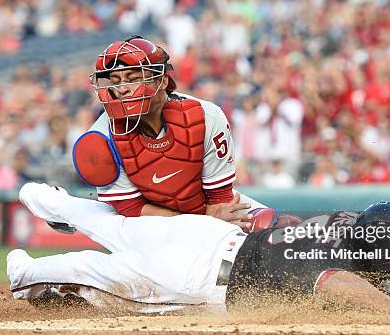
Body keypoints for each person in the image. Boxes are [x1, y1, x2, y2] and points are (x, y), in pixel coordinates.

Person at [8, 183, 390, 318]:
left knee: (115, 226)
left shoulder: (347, 223)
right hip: (199, 277)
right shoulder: (339, 265)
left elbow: (388, 276)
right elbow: (342, 285)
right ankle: (24, 273)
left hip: (203, 235)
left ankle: (47, 198)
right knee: (88, 270)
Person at [72, 36, 290, 233]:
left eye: (132, 78)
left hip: (206, 208)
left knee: (283, 228)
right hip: (147, 231)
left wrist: (212, 221)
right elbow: (130, 209)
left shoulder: (206, 117)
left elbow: (219, 198)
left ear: (162, 81)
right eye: (116, 81)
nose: (122, 89)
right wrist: (206, 223)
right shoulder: (101, 139)